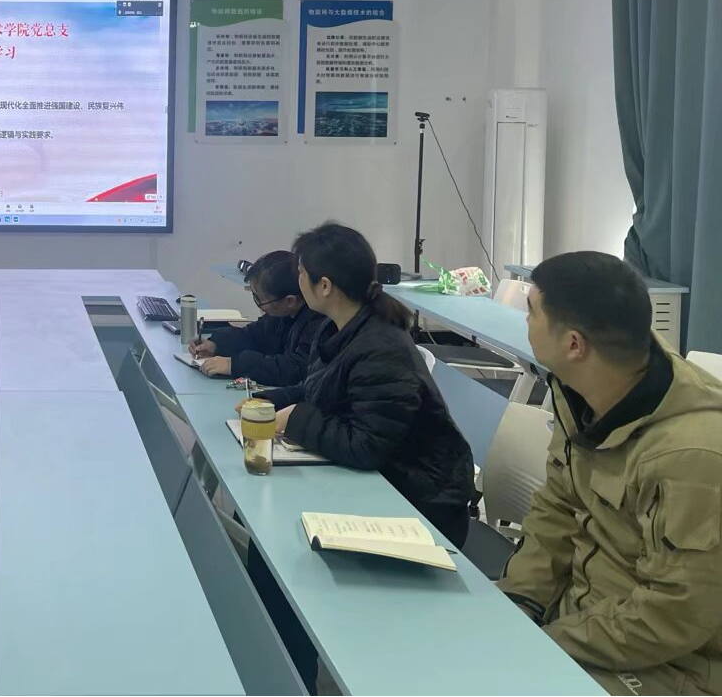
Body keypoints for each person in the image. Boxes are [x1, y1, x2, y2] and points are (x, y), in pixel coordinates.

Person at [498, 252, 722, 696]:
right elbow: (557, 509)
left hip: (673, 664)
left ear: (574, 344)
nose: (525, 321)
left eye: (532, 311)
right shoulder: (582, 391)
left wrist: (546, 643)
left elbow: (674, 615)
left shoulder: (693, 453)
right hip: (585, 622)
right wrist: (519, 602)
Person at [251, 222, 474, 547]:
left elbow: (365, 446)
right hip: (377, 480)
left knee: (278, 529)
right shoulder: (337, 328)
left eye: (301, 273)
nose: (297, 281)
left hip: (419, 504)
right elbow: (319, 388)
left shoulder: (382, 349)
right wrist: (268, 401)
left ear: (324, 286)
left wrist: (295, 417)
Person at [188, 250, 334, 385]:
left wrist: (235, 365)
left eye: (259, 299)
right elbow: (254, 335)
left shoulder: (318, 321)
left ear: (290, 301)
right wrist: (217, 344)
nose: (259, 306)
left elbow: (295, 369)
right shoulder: (282, 313)